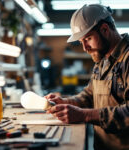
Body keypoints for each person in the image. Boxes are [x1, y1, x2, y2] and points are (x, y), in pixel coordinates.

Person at [45, 4, 129, 150]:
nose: (84, 48)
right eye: (81, 42)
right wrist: (65, 102)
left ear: (105, 29)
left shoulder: (126, 59)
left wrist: (84, 115)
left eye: (88, 38)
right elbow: (89, 95)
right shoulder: (102, 59)